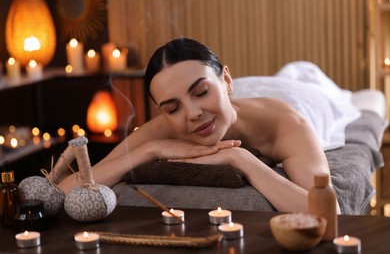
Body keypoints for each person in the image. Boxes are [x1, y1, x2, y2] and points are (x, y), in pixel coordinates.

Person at [59, 38, 339, 213]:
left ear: (226, 81)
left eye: (201, 92)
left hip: (300, 95)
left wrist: (239, 158)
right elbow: (67, 188)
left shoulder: (284, 123)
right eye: (172, 108)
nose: (192, 113)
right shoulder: (162, 130)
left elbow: (327, 212)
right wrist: (150, 150)